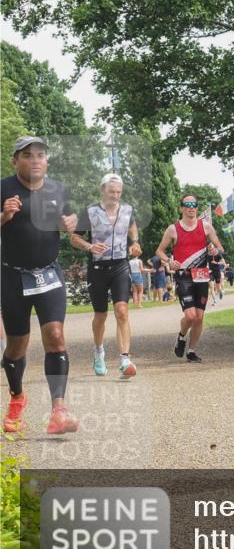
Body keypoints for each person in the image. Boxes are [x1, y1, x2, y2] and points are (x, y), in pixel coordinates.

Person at [1, 136, 79, 434]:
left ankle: (59, 410)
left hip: (48, 273)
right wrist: (4, 216)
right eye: (27, 155)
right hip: (11, 275)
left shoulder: (58, 189)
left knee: (56, 335)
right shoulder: (3, 188)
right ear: (15, 160)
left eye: (40, 155)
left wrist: (71, 224)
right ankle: (17, 397)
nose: (35, 159)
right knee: (16, 346)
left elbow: (70, 219)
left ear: (46, 161)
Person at [69, 172, 141, 378]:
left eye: (118, 192)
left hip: (120, 266)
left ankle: (124, 358)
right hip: (98, 269)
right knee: (100, 316)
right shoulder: (90, 212)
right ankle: (99, 352)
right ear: (103, 190)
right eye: (111, 191)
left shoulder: (127, 210)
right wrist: (89, 246)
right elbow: (74, 238)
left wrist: (135, 242)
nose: (115, 195)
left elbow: (132, 226)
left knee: (122, 310)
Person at [155, 195, 226, 363]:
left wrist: (215, 251)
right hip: (184, 276)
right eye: (187, 205)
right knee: (191, 315)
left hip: (201, 275)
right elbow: (159, 251)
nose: (191, 207)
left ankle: (191, 350)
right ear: (181, 208)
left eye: (194, 205)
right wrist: (169, 261)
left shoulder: (206, 226)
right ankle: (181, 336)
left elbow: (219, 247)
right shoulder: (173, 229)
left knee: (199, 317)